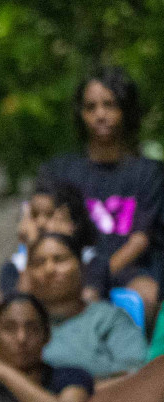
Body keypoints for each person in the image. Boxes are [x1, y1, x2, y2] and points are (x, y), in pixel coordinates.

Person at [39, 66, 164, 321]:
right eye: (91, 107)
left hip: (131, 270)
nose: (100, 115)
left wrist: (98, 279)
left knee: (147, 296)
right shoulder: (61, 171)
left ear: (125, 110)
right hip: (71, 268)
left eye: (109, 105)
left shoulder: (148, 173)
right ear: (81, 114)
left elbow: (140, 241)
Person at [0, 233, 147, 381]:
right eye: (39, 262)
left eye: (60, 259)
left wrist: (74, 395)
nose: (49, 269)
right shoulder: (9, 324)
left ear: (82, 268)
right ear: (27, 273)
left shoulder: (109, 319)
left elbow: (137, 380)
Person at [0, 178, 107, 300]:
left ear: (72, 224)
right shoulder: (14, 267)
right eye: (34, 215)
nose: (40, 223)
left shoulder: (92, 262)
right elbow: (21, 307)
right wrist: (31, 248)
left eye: (49, 215)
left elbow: (89, 300)